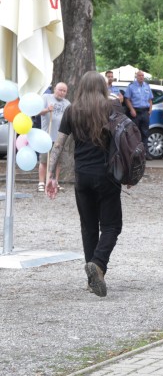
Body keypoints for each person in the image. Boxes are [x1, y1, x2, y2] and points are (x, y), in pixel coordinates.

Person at [45, 72, 126, 297]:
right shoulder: (112, 107)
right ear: (102, 86)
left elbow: (59, 145)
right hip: (107, 175)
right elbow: (125, 141)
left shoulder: (73, 110)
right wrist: (129, 173)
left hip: (82, 176)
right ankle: (98, 265)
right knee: (112, 226)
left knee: (88, 227)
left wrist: (51, 175)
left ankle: (92, 280)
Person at [37, 82, 70, 193]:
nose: (62, 92)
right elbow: (37, 111)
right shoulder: (46, 97)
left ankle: (54, 182)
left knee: (58, 162)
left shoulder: (67, 103)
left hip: (61, 137)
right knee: (44, 160)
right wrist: (47, 110)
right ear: (55, 89)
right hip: (47, 135)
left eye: (64, 91)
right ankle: (41, 182)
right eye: (60, 89)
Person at [124, 69, 153, 150]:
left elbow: (150, 99)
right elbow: (127, 99)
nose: (141, 77)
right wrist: (132, 109)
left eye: (142, 75)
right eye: (139, 75)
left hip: (145, 112)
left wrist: (150, 109)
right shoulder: (131, 86)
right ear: (136, 77)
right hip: (135, 112)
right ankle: (135, 151)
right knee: (135, 133)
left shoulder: (147, 86)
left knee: (145, 133)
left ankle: (145, 152)